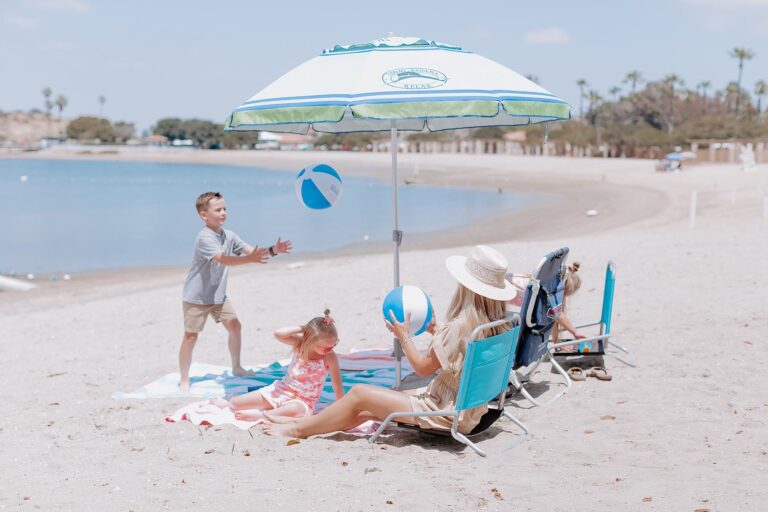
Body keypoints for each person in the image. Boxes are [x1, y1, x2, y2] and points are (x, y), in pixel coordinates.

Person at [262, 245, 516, 439]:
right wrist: (435, 329)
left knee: (360, 393)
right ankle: (302, 426)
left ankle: (296, 430)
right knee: (365, 407)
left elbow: (423, 368)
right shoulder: (497, 322)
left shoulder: (460, 325)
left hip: (444, 411)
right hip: (472, 409)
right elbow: (459, 354)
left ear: (466, 287)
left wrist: (404, 336)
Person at [179, 191, 292, 391]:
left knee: (235, 326)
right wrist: (251, 259)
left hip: (218, 296)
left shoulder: (228, 235)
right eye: (218, 210)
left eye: (225, 209)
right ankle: (185, 379)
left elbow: (252, 252)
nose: (223, 213)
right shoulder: (204, 238)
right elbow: (222, 259)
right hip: (196, 298)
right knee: (191, 336)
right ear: (204, 215)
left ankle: (237, 367)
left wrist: (274, 250)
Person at [209, 310, 344, 421]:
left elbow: (337, 386)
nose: (329, 349)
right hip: (281, 390)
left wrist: (343, 409)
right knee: (235, 403)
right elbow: (278, 333)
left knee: (295, 411)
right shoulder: (300, 344)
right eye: (323, 347)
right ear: (309, 340)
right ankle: (227, 405)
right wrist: (305, 328)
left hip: (303, 401)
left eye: (333, 345)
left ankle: (262, 416)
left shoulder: (329, 357)